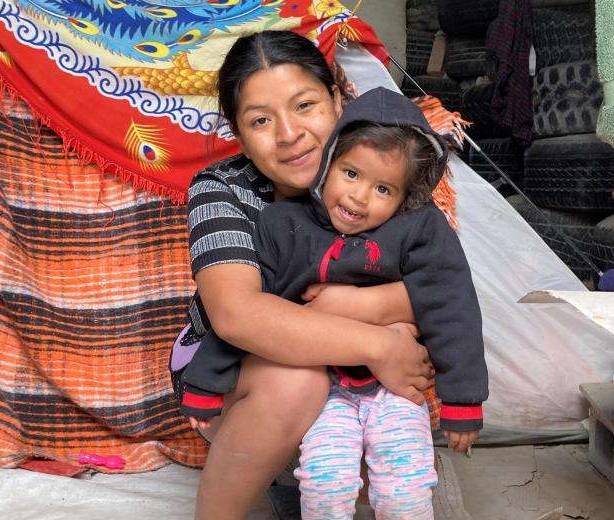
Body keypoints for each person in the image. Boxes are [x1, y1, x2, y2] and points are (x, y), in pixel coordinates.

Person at [180, 87, 489, 519]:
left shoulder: (421, 231)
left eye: (383, 188)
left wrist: (463, 400)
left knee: (406, 486)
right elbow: (249, 314)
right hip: (322, 387)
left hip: (392, 390)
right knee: (327, 481)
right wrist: (207, 382)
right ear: (329, 164)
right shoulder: (284, 225)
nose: (359, 197)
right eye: (350, 174)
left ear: (407, 197)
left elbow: (453, 303)